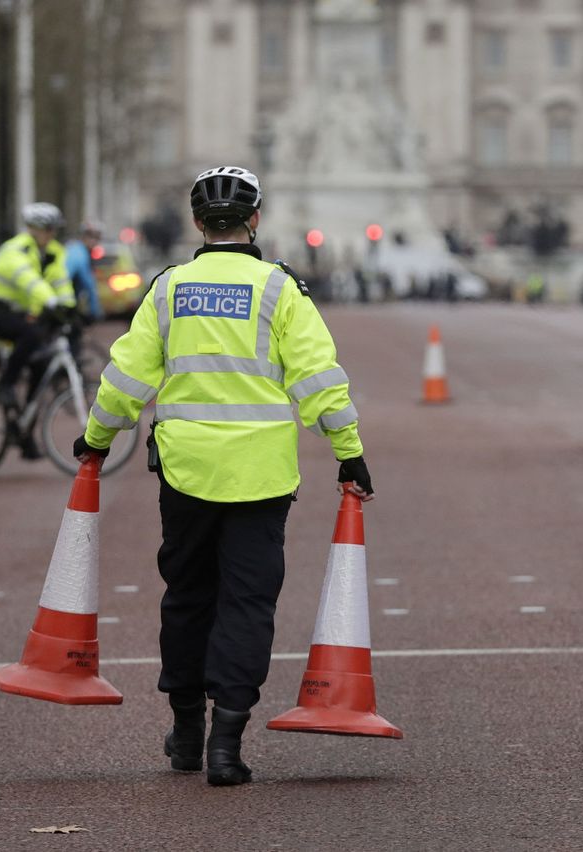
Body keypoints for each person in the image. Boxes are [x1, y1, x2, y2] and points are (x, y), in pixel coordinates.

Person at [72, 165, 374, 787]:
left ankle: (186, 732)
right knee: (247, 605)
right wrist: (349, 450)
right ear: (255, 220)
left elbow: (126, 378)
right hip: (261, 474)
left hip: (184, 470)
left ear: (196, 224)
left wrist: (96, 439)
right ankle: (226, 747)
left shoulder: (169, 289)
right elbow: (318, 376)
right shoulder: (279, 290)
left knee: (186, 598)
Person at [0, 202, 69, 420]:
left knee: (41, 361)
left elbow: (61, 281)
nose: (52, 234)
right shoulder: (15, 250)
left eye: (54, 229)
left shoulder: (53, 252)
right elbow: (30, 281)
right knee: (31, 334)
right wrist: (53, 303)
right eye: (48, 229)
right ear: (34, 229)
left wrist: (70, 307)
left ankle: (25, 420)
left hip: (17, 311)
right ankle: (5, 385)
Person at [64, 220, 104, 322]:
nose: (94, 241)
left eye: (96, 237)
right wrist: (94, 311)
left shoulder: (71, 248)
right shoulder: (80, 254)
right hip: (64, 301)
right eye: (90, 236)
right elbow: (89, 285)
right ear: (83, 236)